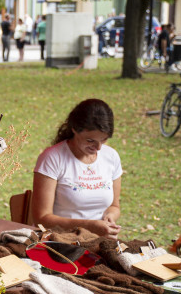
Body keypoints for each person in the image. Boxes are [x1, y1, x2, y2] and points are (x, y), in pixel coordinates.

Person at [31, 99, 122, 239]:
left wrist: (110, 217)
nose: (98, 148)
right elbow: (41, 218)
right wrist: (88, 225)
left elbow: (114, 206)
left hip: (101, 239)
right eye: (90, 140)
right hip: (60, 239)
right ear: (74, 129)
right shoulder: (52, 158)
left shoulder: (111, 157)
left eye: (103, 140)